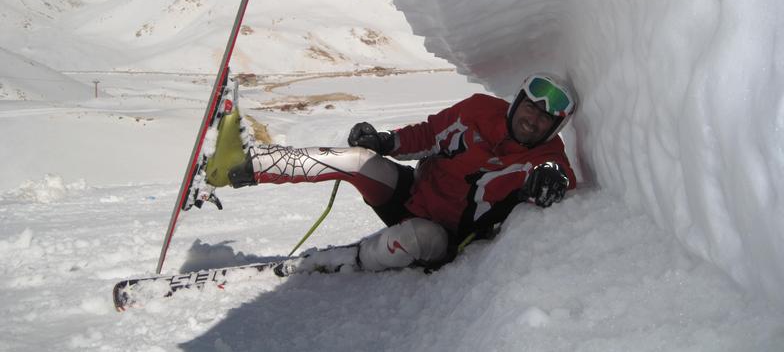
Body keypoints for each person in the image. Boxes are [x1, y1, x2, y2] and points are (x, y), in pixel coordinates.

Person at [205, 72, 578, 273]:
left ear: (553, 129)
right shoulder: (478, 110)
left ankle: (352, 260)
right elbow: (429, 135)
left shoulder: (546, 156)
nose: (534, 119)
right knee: (354, 160)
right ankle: (238, 167)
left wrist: (552, 179)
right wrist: (384, 141)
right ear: (517, 102)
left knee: (413, 239)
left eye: (546, 118)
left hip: (444, 236)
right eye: (531, 107)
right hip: (412, 193)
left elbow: (559, 175)